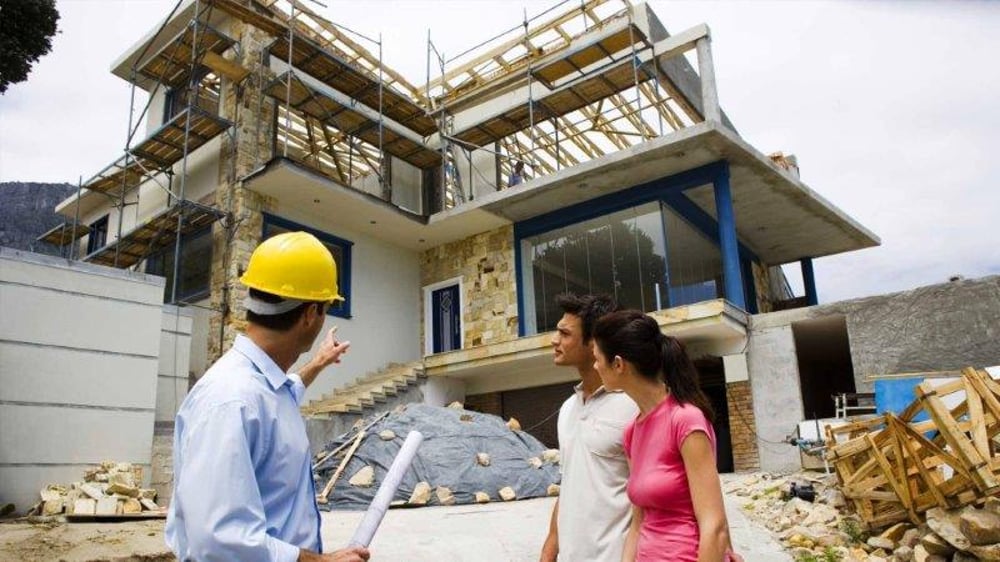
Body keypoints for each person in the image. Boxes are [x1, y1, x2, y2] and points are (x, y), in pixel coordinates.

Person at [165, 231, 370, 562]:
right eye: (326, 308)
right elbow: (221, 541)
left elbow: (280, 394)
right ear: (310, 314)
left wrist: (317, 364)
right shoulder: (230, 401)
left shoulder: (257, 388)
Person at [591, 310, 741, 562]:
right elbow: (638, 523)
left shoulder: (685, 420)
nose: (595, 366)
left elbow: (714, 525)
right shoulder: (631, 432)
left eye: (597, 358)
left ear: (618, 364)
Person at [540, 294, 638, 562]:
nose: (554, 340)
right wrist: (549, 551)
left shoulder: (633, 406)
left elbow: (652, 496)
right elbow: (569, 484)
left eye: (565, 333)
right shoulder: (568, 408)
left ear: (594, 342)